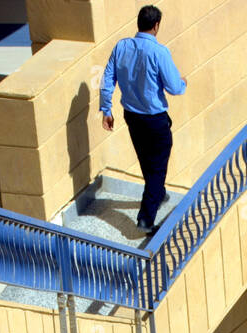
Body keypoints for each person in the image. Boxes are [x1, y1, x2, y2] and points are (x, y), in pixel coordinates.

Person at [99, 5, 186, 234]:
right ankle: (146, 220)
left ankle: (158, 193)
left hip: (132, 117)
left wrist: (106, 110)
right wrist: (183, 81)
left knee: (147, 160)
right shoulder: (160, 52)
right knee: (157, 168)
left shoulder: (121, 46)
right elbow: (174, 88)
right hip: (155, 119)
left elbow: (108, 78)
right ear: (156, 25)